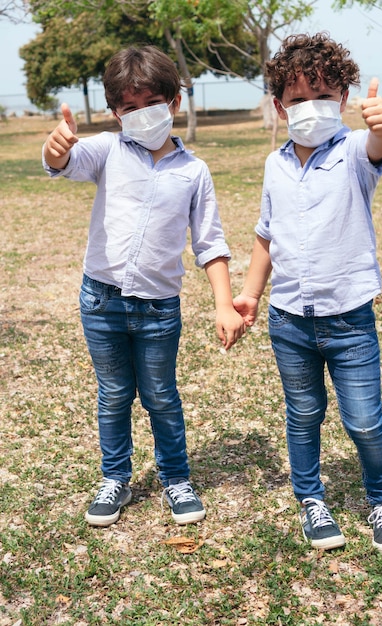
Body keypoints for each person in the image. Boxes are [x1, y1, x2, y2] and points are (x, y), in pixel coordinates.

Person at [42, 45, 245, 528]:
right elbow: (63, 162)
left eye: (150, 103)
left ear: (173, 102)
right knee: (113, 394)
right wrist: (55, 150)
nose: (139, 115)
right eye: (127, 108)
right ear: (115, 112)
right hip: (101, 300)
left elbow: (210, 243)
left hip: (158, 310)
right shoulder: (106, 150)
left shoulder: (193, 172)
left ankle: (176, 478)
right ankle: (116, 478)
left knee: (160, 396)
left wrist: (224, 304)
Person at [233, 32, 382, 555]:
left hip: (350, 322)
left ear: (344, 100)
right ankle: (311, 500)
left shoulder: (356, 150)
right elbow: (267, 235)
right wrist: (250, 293)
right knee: (303, 413)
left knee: (363, 417)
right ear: (279, 107)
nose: (311, 106)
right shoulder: (275, 165)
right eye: (298, 98)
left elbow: (381, 147)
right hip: (289, 322)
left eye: (323, 95)